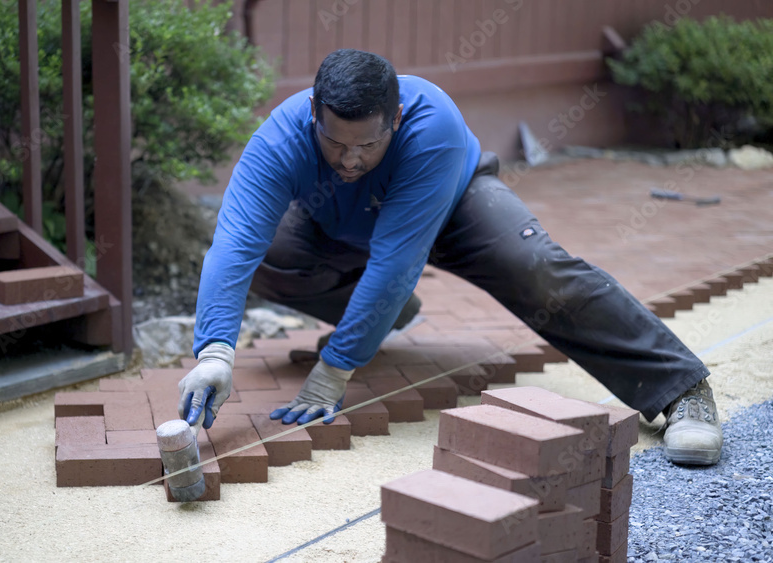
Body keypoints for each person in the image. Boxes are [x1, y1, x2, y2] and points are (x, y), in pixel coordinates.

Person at [176, 49, 722, 465]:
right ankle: (381, 314)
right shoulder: (280, 140)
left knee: (532, 266)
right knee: (271, 251)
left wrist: (335, 369)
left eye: (367, 146)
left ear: (396, 117)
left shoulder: (429, 122)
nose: (349, 160)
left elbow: (396, 260)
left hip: (453, 208)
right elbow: (233, 243)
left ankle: (680, 388)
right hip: (343, 225)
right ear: (315, 112)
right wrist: (215, 350)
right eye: (335, 143)